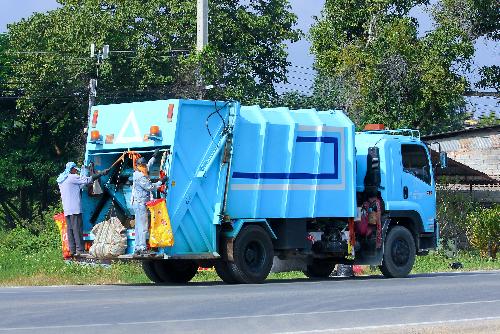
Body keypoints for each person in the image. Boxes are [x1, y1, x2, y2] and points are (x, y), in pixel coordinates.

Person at [57, 162, 108, 256]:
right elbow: (88, 179)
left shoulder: (61, 179)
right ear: (71, 169)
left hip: (67, 209)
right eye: (75, 169)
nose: (76, 171)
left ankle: (72, 251)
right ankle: (80, 250)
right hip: (75, 208)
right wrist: (101, 173)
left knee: (70, 230)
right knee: (77, 229)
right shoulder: (72, 177)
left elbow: (76, 187)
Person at [131, 149, 164, 256]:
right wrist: (161, 182)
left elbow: (148, 165)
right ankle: (142, 247)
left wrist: (154, 156)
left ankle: (137, 247)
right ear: (140, 166)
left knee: (138, 226)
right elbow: (150, 187)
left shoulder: (139, 172)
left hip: (138, 203)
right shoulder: (140, 176)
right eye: (144, 165)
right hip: (141, 204)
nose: (146, 167)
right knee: (143, 226)